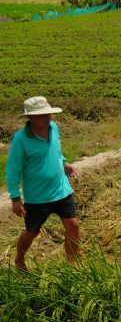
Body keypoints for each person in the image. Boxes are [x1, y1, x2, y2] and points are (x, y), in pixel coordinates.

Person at [6, 96, 81, 270]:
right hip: (38, 196)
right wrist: (16, 198)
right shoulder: (21, 139)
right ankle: (19, 260)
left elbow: (57, 152)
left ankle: (73, 263)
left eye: (48, 114)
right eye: (42, 115)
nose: (48, 118)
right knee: (32, 231)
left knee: (73, 225)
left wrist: (65, 164)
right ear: (30, 118)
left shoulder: (54, 128)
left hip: (61, 190)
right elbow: (12, 170)